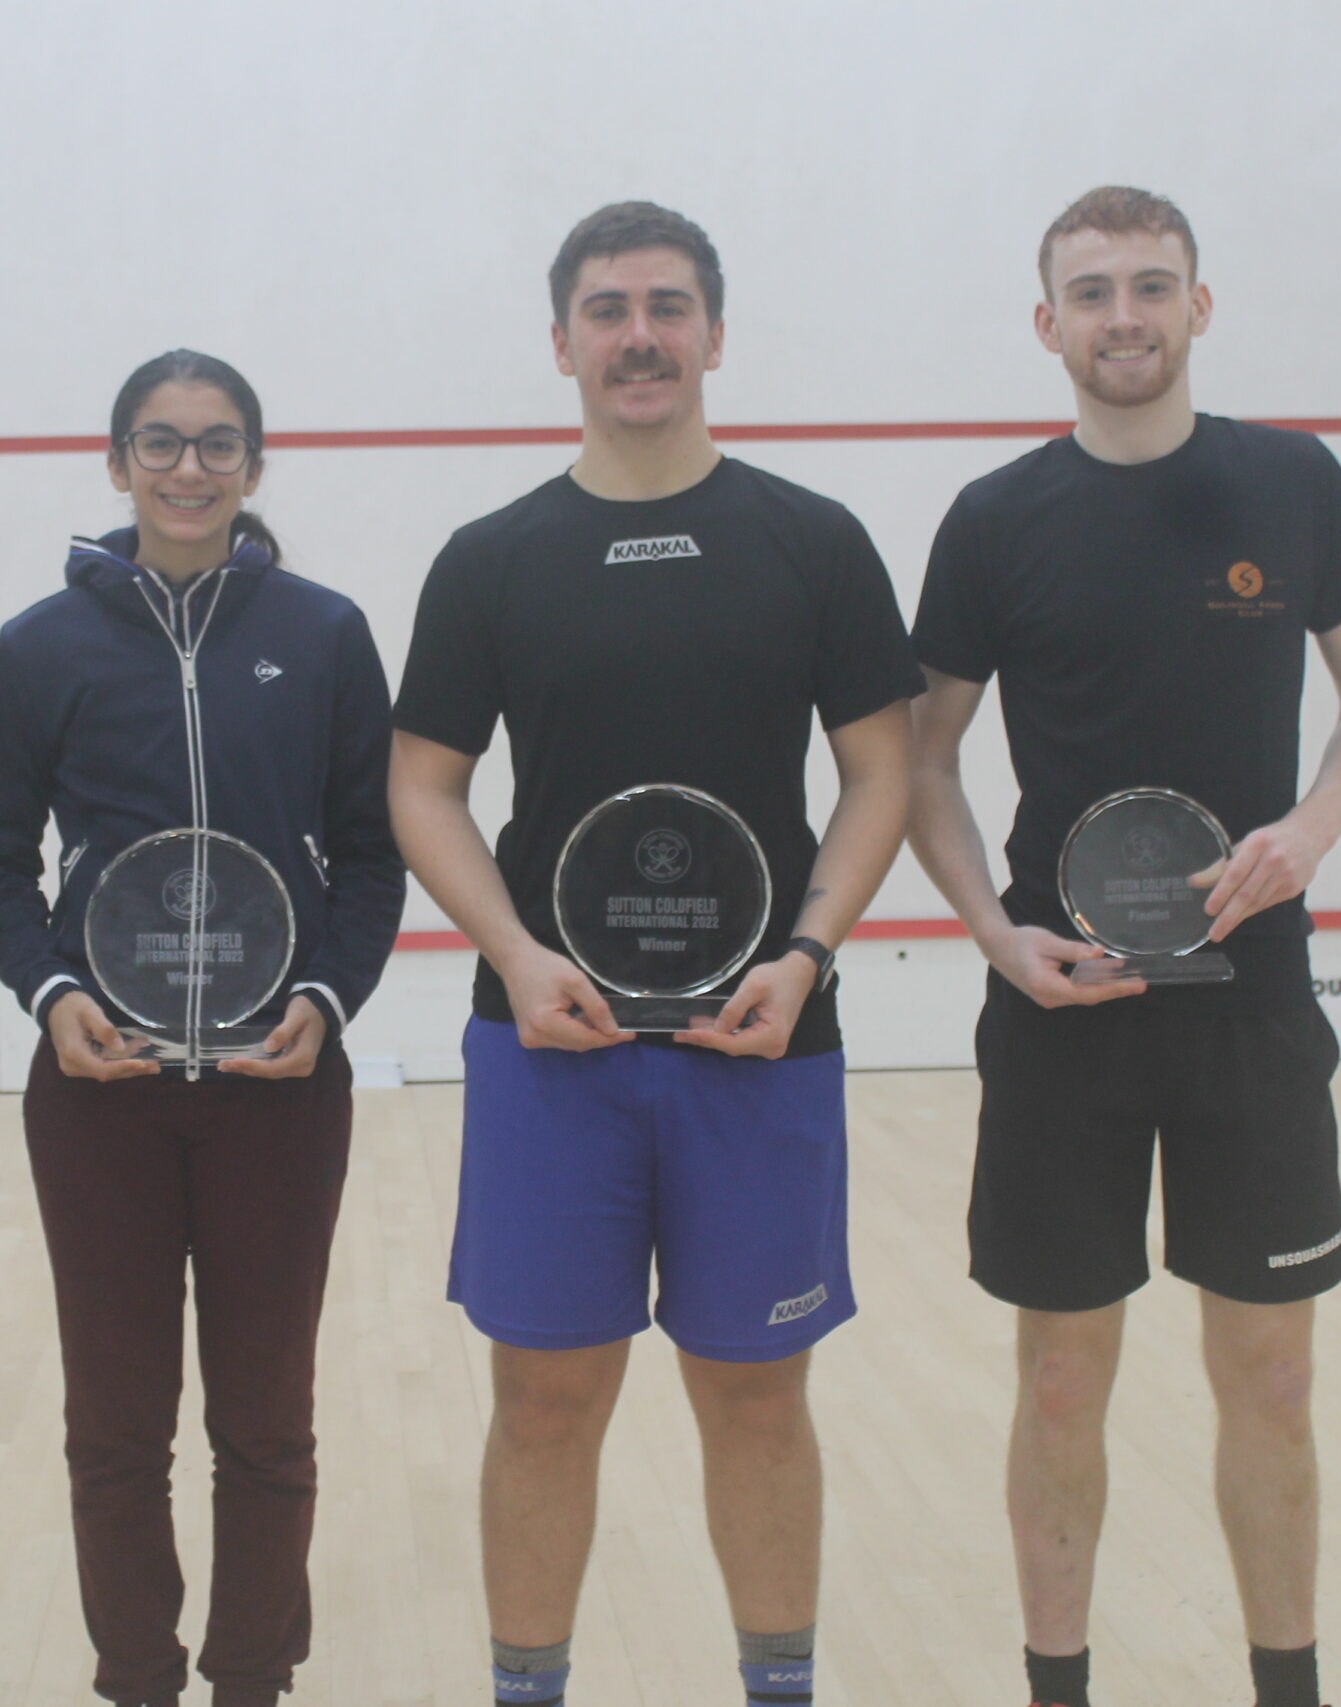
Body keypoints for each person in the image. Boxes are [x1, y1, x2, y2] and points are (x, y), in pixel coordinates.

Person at [388, 203, 921, 1707]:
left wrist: (807, 955)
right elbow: (422, 782)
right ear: (561, 342)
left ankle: (779, 1691)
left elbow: (882, 770)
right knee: (545, 1403)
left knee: (758, 1398)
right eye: (608, 310)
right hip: (551, 1046)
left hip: (762, 1041)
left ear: (715, 337)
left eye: (668, 307)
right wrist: (514, 953)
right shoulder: (493, 560)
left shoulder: (811, 542)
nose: (640, 335)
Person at [906, 186, 1341, 1707]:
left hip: (1251, 1006)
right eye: (1091, 291)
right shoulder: (996, 519)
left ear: (1201, 305)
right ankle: (1057, 1687)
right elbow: (922, 762)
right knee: (1063, 1374)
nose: (1122, 315)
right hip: (1064, 1009)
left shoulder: (1297, 485)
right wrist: (995, 936)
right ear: (1047, 323)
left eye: (1150, 285)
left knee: (1272, 1373)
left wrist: (1309, 834)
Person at [0, 349, 405, 1707]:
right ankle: (138, 1679)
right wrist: (52, 994)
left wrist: (326, 1004)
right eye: (160, 443)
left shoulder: (324, 633)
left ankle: (254, 1675)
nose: (189, 469)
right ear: (116, 465)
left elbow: (372, 855)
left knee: (266, 1423)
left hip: (281, 1080)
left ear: (255, 468)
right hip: (101, 1084)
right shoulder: (42, 646)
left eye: (218, 445)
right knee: (115, 1425)